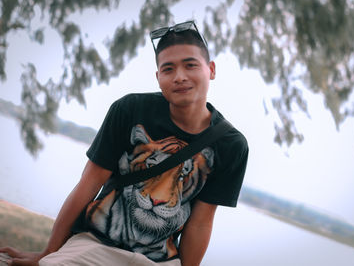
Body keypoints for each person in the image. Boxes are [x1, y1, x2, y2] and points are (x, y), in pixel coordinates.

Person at [0, 20, 248, 266]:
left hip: (160, 261)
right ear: (158, 76)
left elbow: (201, 222)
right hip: (95, 244)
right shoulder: (130, 110)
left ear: (211, 70)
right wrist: (48, 253)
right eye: (168, 69)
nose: (179, 77)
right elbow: (88, 184)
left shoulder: (231, 145)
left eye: (190, 65)